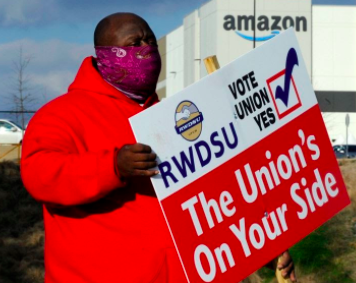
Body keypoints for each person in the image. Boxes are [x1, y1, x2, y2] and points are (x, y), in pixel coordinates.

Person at [21, 12, 296, 283]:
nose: (147, 49)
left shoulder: (173, 117)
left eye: (151, 41)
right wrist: (112, 166)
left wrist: (260, 246)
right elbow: (39, 175)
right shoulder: (61, 115)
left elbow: (212, 202)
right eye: (134, 43)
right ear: (104, 54)